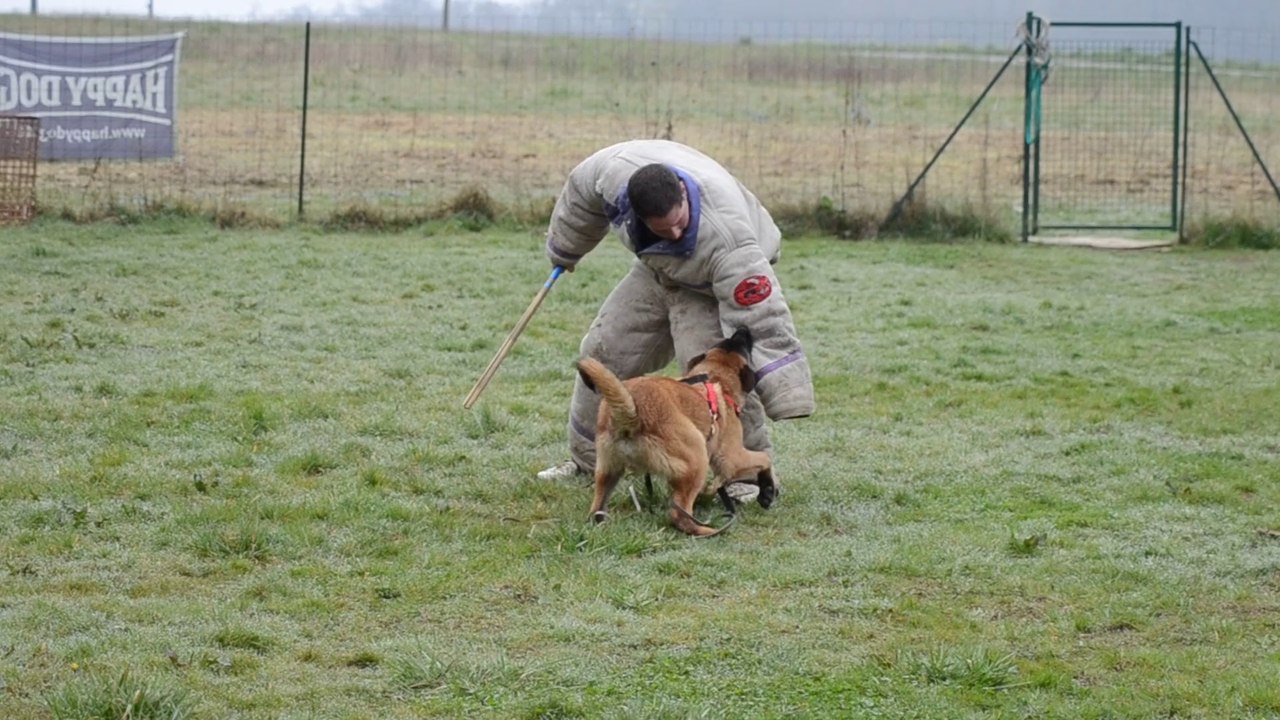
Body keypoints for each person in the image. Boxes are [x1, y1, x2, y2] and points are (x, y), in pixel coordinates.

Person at [536, 139, 815, 505]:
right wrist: (565, 249)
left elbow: (762, 318)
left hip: (712, 277)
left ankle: (744, 477)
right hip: (658, 268)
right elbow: (580, 197)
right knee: (602, 352)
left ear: (683, 193)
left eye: (680, 223)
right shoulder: (609, 174)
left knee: (711, 376)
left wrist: (787, 394)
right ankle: (589, 461)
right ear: (634, 213)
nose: (675, 233)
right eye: (663, 228)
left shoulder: (729, 242)